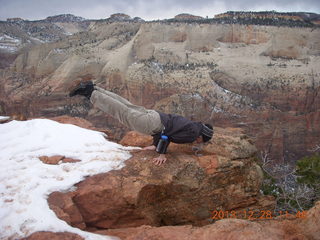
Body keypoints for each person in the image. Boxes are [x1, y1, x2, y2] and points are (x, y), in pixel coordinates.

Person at [69, 81, 213, 165]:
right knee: (120, 111)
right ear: (200, 137)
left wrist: (155, 145)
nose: (197, 143)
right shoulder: (192, 134)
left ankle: (93, 88)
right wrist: (161, 153)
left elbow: (168, 130)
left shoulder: (193, 125)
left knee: (126, 106)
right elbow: (165, 135)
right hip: (151, 124)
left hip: (155, 115)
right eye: (201, 141)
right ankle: (89, 93)